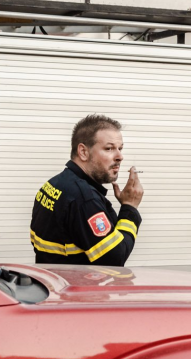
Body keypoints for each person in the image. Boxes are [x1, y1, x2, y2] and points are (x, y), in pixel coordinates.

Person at [30, 114, 143, 267]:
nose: (120, 156)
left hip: (53, 282)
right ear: (83, 152)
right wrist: (129, 208)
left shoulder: (54, 184)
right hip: (75, 287)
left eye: (120, 149)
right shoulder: (84, 199)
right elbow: (114, 259)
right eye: (109, 148)